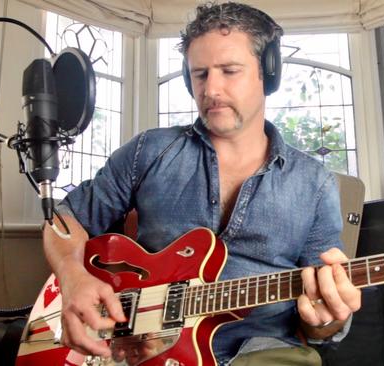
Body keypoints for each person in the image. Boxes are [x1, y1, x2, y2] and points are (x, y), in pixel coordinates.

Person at [45, 2, 361, 365]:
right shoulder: (149, 151)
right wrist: (72, 279)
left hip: (264, 349)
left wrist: (328, 317)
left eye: (229, 71)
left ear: (268, 73)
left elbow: (320, 323)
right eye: (199, 74)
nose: (211, 89)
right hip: (143, 347)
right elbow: (64, 220)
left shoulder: (315, 184)